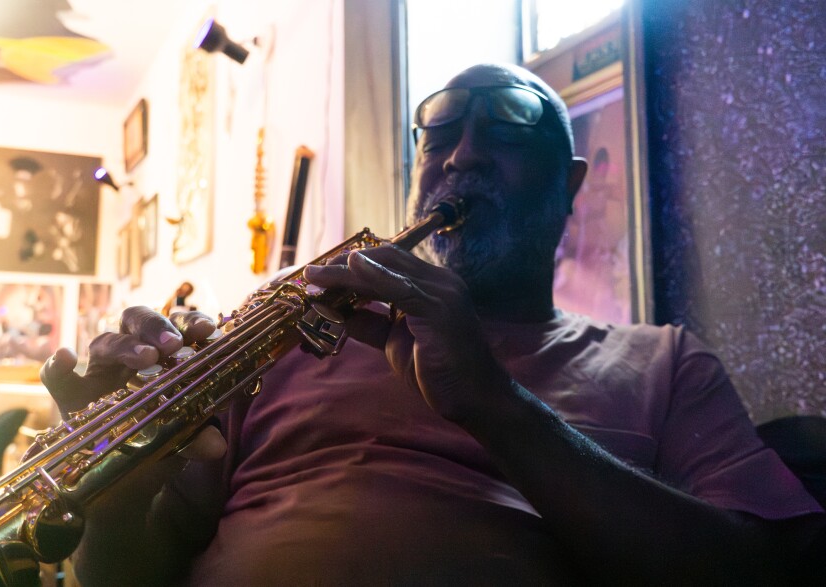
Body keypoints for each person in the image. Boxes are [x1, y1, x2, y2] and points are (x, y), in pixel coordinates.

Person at [41, 63, 824, 585]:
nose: (462, 157)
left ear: (571, 183)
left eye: (509, 132)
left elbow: (771, 570)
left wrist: (494, 401)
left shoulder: (665, 361)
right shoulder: (292, 330)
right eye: (439, 137)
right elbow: (133, 573)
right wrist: (112, 493)